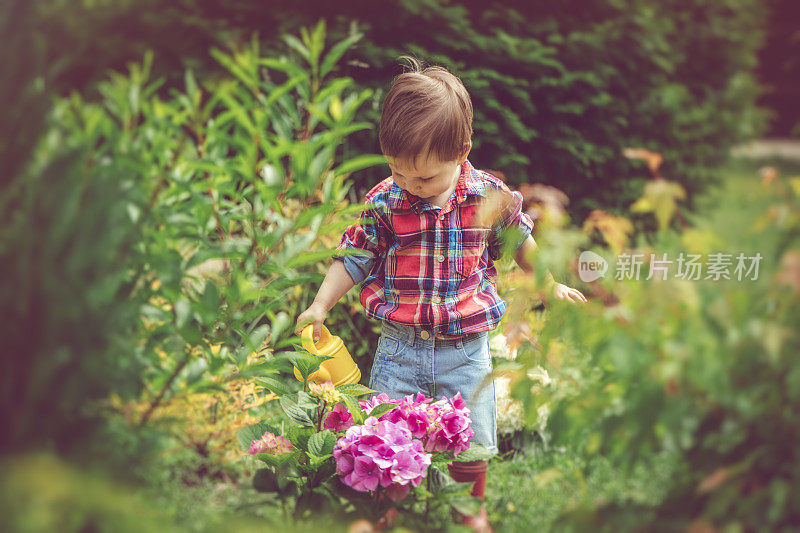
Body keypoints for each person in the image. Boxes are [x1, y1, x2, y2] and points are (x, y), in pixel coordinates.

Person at [295, 56, 586, 532]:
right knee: (383, 437)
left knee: (470, 443)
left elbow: (520, 244)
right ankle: (382, 513)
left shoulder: (489, 197)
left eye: (424, 177)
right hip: (399, 349)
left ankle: (470, 511)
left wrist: (548, 284)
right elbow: (354, 256)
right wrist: (320, 304)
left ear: (461, 150)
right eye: (399, 172)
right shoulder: (386, 201)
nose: (410, 186)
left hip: (465, 353)